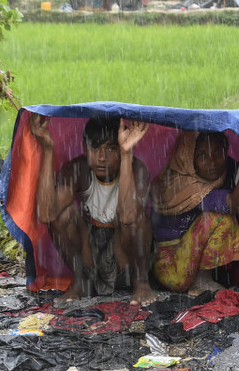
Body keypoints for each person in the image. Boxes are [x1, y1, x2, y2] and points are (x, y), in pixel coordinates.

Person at [30, 115, 155, 305]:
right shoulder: (77, 169)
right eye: (95, 148)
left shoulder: (137, 169)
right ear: (84, 148)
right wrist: (47, 149)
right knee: (62, 216)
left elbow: (128, 216)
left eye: (111, 149)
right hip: (91, 249)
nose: (102, 158)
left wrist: (126, 154)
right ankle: (80, 282)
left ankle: (141, 283)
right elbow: (46, 214)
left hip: (124, 254)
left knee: (137, 219)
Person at [150, 131, 239, 294]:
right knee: (220, 219)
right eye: (202, 155)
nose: (212, 162)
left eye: (218, 152)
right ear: (188, 158)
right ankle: (201, 282)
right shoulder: (186, 188)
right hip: (171, 270)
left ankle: (211, 277)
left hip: (185, 265)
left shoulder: (221, 171)